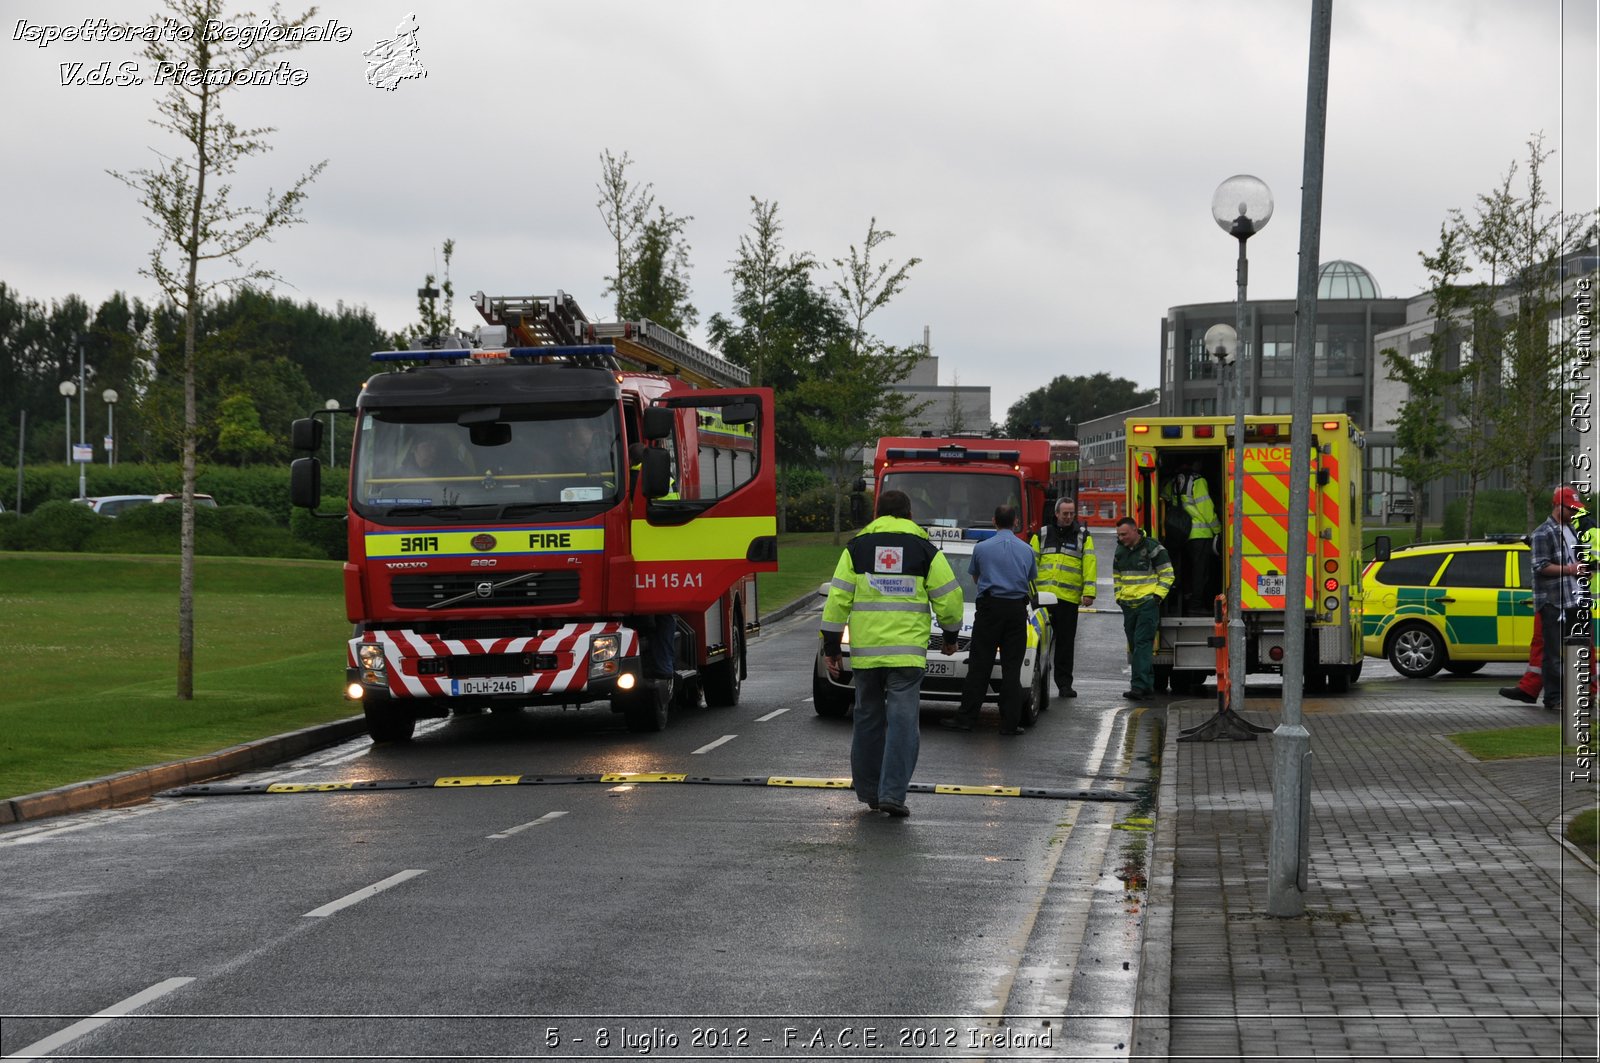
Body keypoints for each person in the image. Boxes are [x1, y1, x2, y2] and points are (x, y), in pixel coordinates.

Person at [821, 490, 963, 818]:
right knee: (902, 722)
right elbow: (950, 598)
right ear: (909, 513)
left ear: (878, 513)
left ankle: (869, 791)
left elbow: (837, 599)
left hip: (867, 655)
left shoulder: (856, 547)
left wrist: (832, 646)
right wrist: (951, 636)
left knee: (867, 719)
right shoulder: (925, 549)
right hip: (906, 656)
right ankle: (892, 794)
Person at [942, 504, 1039, 735]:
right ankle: (1009, 724)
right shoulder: (1026, 550)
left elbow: (976, 577)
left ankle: (966, 719)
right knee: (1011, 668)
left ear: (994, 521)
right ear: (1015, 522)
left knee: (979, 666)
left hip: (989, 610)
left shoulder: (981, 548)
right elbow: (1030, 577)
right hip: (1016, 611)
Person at [1031, 496, 1097, 698]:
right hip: (1041, 599)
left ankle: (1064, 685)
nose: (1068, 517)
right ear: (1057, 514)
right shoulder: (1042, 534)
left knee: (1065, 645)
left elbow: (1090, 564)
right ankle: (1037, 681)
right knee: (1038, 643)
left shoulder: (1083, 536)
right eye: (1065, 513)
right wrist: (1028, 592)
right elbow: (1031, 563)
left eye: (1071, 513)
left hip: (1068, 599)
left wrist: (1089, 592)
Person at [1529, 485, 1585, 712]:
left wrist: (1582, 570)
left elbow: (1574, 560)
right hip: (1552, 602)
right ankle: (1553, 698)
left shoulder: (1571, 530)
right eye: (1569, 509)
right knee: (1552, 653)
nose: (1573, 513)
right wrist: (1570, 569)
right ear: (1557, 505)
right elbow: (1540, 566)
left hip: (1573, 599)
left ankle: (1574, 694)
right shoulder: (1543, 532)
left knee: (1576, 650)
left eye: (1575, 509)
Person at [1113, 515, 1175, 700]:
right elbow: (1117, 575)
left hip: (1147, 604)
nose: (1121, 538)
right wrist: (1119, 596)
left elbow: (1167, 574)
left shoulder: (1153, 548)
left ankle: (1138, 686)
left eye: (1124, 534)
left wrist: (1156, 598)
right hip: (1128, 605)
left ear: (1135, 530)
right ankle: (1147, 685)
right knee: (1136, 646)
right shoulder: (1120, 550)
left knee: (1141, 644)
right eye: (1119, 535)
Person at [1164, 462, 1220, 615]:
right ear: (1197, 465)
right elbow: (1206, 508)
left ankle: (1182, 601)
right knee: (1200, 572)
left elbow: (1164, 496)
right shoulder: (1198, 481)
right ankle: (1196, 606)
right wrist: (1217, 529)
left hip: (1180, 534)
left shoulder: (1175, 481)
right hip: (1200, 535)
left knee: (1184, 569)